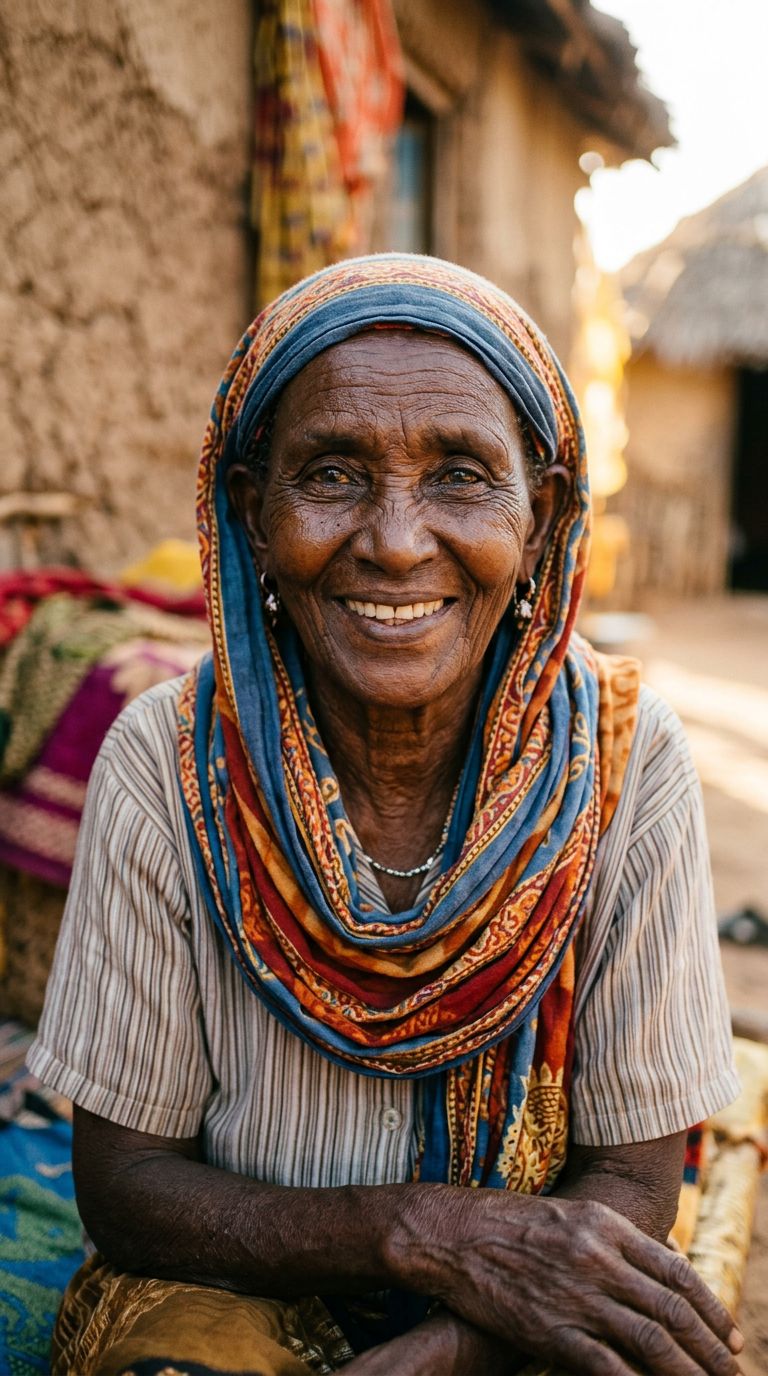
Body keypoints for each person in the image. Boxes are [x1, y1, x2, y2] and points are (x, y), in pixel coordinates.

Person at [29, 255, 742, 1376]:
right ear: (254, 511)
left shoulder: (620, 758)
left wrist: (450, 1342)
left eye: (461, 474)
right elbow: (126, 1186)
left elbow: (638, 1174)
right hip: (238, 1287)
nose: (398, 542)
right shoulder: (168, 760)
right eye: (331, 474)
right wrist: (427, 1233)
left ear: (544, 513)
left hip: (514, 1318)